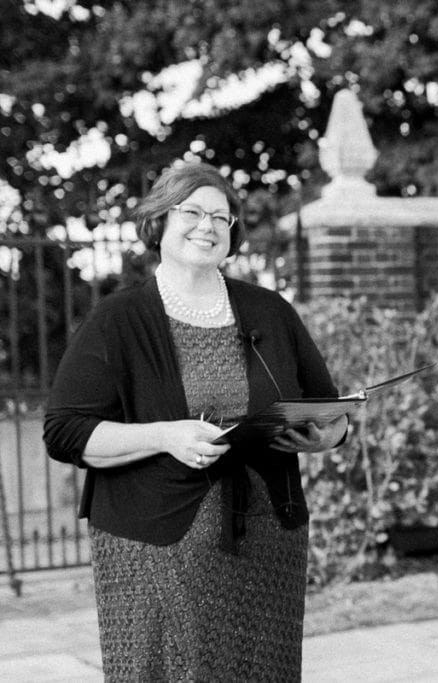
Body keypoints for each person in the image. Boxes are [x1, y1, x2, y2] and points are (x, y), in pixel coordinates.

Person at [44, 162, 349, 681]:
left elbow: (329, 411)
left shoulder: (270, 311)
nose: (207, 226)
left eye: (222, 217)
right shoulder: (118, 320)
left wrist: (323, 432)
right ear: (160, 220)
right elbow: (65, 431)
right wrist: (168, 435)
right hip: (156, 542)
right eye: (193, 212)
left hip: (265, 539)